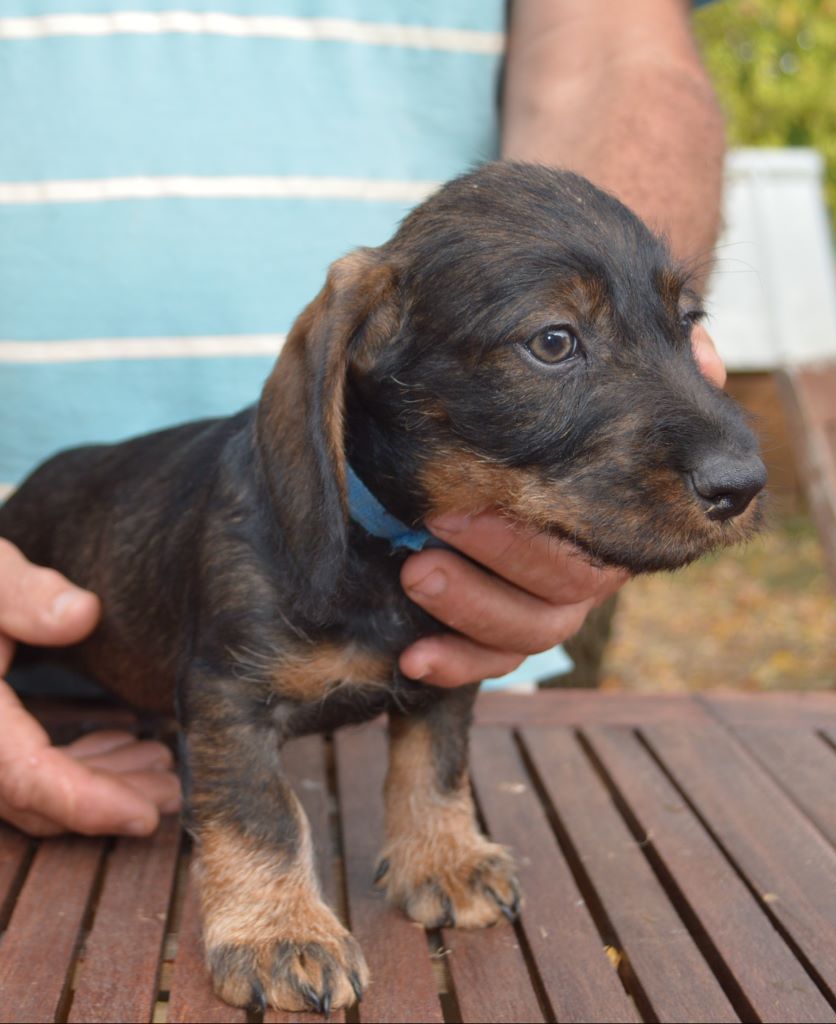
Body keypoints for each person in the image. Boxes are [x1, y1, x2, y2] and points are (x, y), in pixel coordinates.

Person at [0, 0, 726, 836]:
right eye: (555, 341)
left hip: (505, 663)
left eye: (677, 321)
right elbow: (233, 688)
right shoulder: (252, 526)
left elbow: (618, 58)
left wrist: (609, 305)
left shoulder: (466, 495)